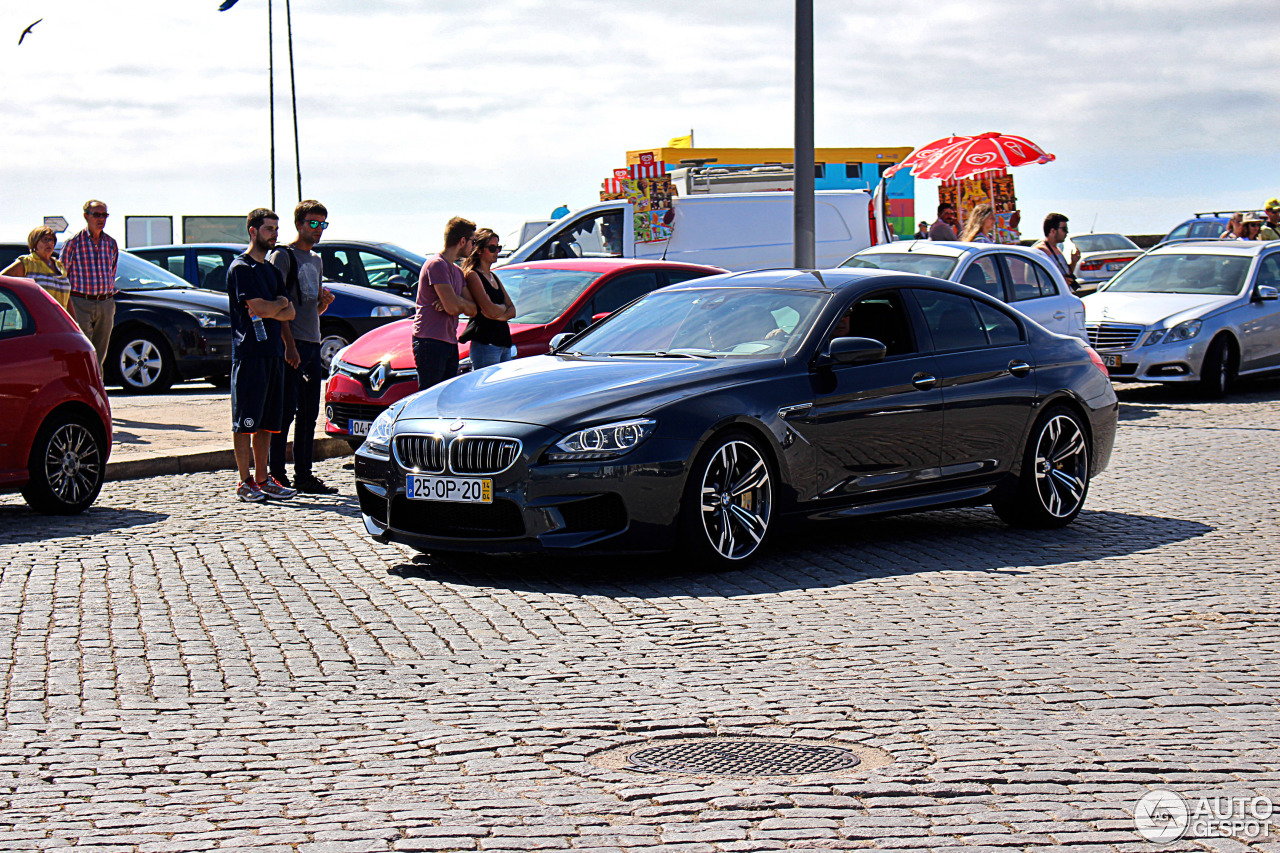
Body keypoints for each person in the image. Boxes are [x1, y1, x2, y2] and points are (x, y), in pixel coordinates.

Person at [267, 200, 338, 495]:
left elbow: (309, 307)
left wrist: (322, 305)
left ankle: (304, 474)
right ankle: (277, 473)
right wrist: (288, 345)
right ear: (299, 224)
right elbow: (279, 306)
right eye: (313, 223)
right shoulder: (283, 256)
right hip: (292, 344)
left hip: (311, 340)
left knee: (309, 413)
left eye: (323, 224)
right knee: (285, 411)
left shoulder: (316, 260)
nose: (318, 229)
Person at [227, 208, 297, 503]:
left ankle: (263, 478)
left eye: (276, 229)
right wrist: (277, 305)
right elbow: (262, 309)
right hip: (250, 354)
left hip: (273, 353)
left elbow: (288, 312)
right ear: (253, 231)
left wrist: (277, 303)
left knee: (268, 422)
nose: (274, 234)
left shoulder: (271, 270)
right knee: (246, 421)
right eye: (269, 229)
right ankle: (244, 482)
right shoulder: (241, 269)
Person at [414, 217, 478, 389]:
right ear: (462, 241)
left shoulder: (457, 271)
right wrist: (455, 302)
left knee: (446, 396)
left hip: (449, 342)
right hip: (430, 342)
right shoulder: (436, 265)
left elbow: (473, 310)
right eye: (473, 241)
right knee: (430, 397)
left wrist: (456, 300)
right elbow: (451, 307)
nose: (474, 246)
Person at [61, 199, 119, 366]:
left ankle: (98, 387)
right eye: (96, 215)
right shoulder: (73, 243)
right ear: (86, 216)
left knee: (100, 352)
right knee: (83, 349)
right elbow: (62, 275)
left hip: (105, 302)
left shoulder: (110, 243)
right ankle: (84, 387)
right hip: (80, 301)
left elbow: (112, 271)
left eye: (104, 215)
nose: (101, 219)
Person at [460, 229, 517, 369]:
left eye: (498, 248)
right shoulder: (473, 275)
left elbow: (513, 310)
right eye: (492, 248)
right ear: (479, 250)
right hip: (486, 343)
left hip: (504, 341)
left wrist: (499, 313)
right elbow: (489, 309)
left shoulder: (493, 276)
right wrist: (502, 310)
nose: (496, 251)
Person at [1, 226, 71, 308]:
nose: (49, 243)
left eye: (51, 240)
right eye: (45, 239)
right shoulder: (27, 263)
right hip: (36, 317)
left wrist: (73, 320)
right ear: (35, 242)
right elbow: (2, 281)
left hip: (58, 319)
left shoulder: (59, 265)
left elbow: (68, 299)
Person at [1034, 212, 1080, 292]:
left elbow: (1066, 273)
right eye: (1064, 229)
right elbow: (1036, 279)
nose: (1067, 232)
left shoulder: (1057, 249)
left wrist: (1074, 261)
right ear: (1053, 231)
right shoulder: (1040, 251)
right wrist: (1060, 281)